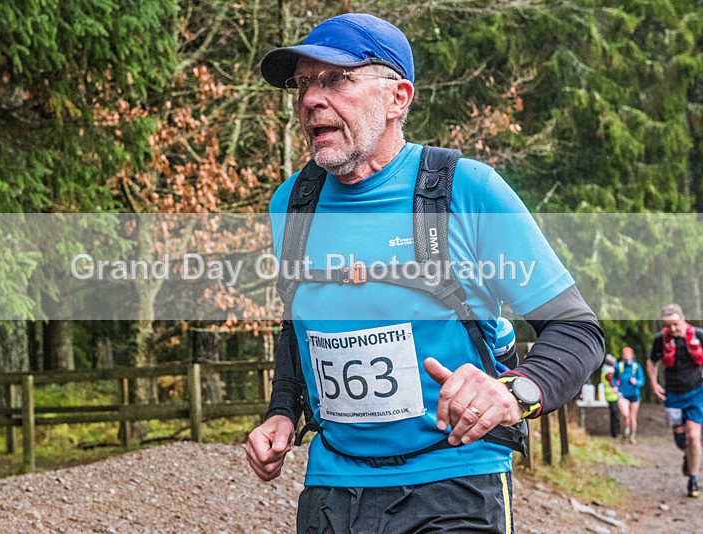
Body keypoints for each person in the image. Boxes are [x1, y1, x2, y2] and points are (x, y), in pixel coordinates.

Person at [244, 13, 604, 531]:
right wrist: (283, 410)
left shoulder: (467, 190)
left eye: (337, 80)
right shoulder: (291, 204)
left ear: (398, 97)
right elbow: (301, 324)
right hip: (331, 486)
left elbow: (576, 330)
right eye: (303, 83)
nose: (310, 99)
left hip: (454, 478)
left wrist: (512, 392)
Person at [647, 303, 703, 498]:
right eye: (668, 325)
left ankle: (693, 479)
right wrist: (654, 384)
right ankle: (688, 457)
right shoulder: (660, 340)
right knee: (681, 441)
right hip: (673, 395)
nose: (673, 329)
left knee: (694, 436)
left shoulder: (698, 335)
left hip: (697, 392)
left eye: (676, 324)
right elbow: (652, 361)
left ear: (683, 319)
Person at [614, 346, 644, 443]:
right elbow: (614, 378)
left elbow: (642, 380)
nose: (627, 356)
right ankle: (626, 432)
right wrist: (615, 386)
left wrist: (636, 382)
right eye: (625, 354)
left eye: (628, 354)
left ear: (632, 355)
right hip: (622, 394)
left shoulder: (636, 367)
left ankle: (633, 436)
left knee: (632, 417)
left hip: (634, 394)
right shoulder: (619, 366)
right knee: (625, 414)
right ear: (622, 356)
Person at [600, 354, 621, 438]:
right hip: (611, 396)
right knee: (615, 415)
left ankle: (615, 432)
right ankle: (616, 433)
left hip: (610, 396)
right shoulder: (609, 372)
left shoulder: (605, 370)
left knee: (614, 415)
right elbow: (612, 383)